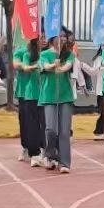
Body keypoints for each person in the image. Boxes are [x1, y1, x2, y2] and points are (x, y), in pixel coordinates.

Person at [38, 33, 77, 173]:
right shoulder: (44, 54)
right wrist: (52, 65)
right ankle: (49, 155)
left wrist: (61, 68)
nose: (62, 38)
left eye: (64, 36)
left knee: (64, 131)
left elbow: (68, 66)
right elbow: (45, 66)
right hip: (49, 96)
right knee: (51, 129)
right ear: (52, 38)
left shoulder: (69, 54)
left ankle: (64, 162)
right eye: (59, 36)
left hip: (65, 96)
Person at [13, 34, 45, 165]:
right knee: (26, 122)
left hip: (42, 92)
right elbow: (16, 64)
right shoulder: (22, 51)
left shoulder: (47, 52)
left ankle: (40, 148)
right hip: (25, 91)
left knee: (42, 122)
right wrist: (31, 65)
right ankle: (27, 146)